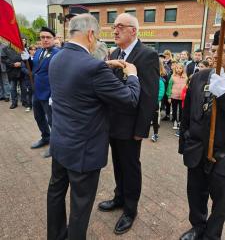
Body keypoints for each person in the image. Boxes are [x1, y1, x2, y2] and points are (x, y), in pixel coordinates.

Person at [47, 14, 140, 240]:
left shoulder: (56, 58)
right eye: (96, 37)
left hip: (60, 144)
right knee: (80, 204)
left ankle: (56, 235)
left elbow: (78, 80)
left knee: (56, 194)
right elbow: (129, 99)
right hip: (83, 151)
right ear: (90, 34)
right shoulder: (93, 68)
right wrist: (133, 76)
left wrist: (103, 64)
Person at [98, 13, 159, 234]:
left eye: (120, 27)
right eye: (114, 27)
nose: (115, 31)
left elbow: (150, 96)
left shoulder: (148, 55)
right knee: (117, 163)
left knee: (131, 166)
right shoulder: (114, 53)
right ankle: (119, 197)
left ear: (133, 30)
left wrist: (141, 129)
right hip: (112, 123)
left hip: (131, 126)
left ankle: (130, 210)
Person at [179, 30, 225, 240]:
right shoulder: (199, 77)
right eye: (214, 49)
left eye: (222, 50)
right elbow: (187, 113)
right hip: (197, 149)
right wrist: (185, 142)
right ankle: (197, 226)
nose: (216, 54)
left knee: (221, 202)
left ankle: (212, 235)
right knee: (195, 193)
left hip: (222, 156)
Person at [30, 27, 59, 158]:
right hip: (36, 90)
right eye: (43, 37)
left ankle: (55, 146)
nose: (45, 40)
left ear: (54, 39)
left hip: (49, 93)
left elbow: (59, 75)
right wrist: (28, 60)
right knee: (38, 116)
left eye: (48, 37)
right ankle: (45, 137)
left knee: (52, 121)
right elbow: (36, 68)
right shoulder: (38, 52)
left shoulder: (57, 53)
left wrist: (54, 94)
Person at [1, 44, 22, 109]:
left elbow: (26, 58)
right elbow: (4, 59)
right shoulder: (5, 49)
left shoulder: (21, 48)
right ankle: (14, 102)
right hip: (11, 71)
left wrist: (21, 63)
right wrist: (13, 64)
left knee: (23, 87)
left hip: (22, 70)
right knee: (13, 88)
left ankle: (25, 101)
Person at [167, 63, 187, 130]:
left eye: (180, 68)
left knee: (181, 110)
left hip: (182, 97)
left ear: (183, 69)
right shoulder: (172, 77)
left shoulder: (186, 77)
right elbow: (169, 87)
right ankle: (175, 121)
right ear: (175, 69)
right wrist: (169, 96)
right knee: (174, 109)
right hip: (174, 96)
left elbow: (187, 87)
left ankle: (180, 122)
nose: (178, 70)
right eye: (177, 68)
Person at [151, 58, 166, 142]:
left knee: (155, 118)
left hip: (155, 102)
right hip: (147, 101)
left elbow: (161, 91)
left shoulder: (160, 79)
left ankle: (155, 133)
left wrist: (156, 99)